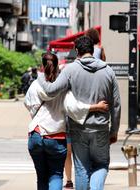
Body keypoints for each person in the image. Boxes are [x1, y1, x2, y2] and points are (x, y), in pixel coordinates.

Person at [38, 36, 121, 190]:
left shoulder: (70, 69)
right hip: (101, 128)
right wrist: (114, 130)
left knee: (81, 168)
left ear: (77, 51)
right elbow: (116, 104)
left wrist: (40, 76)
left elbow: (50, 90)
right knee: (101, 164)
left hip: (78, 128)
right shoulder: (108, 71)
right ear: (92, 50)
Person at [25, 52, 109, 190]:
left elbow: (28, 103)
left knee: (41, 176)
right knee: (56, 175)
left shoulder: (35, 85)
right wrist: (96, 107)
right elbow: (74, 107)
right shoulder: (63, 87)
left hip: (36, 134)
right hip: (56, 137)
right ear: (58, 66)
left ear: (42, 66)